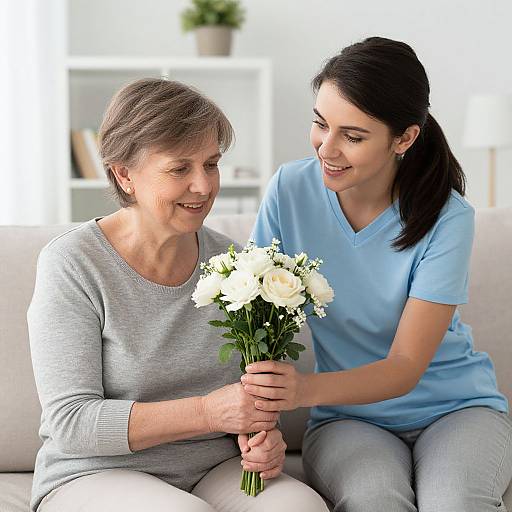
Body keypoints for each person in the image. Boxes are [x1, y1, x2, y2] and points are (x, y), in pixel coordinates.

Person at [28, 78, 328, 512]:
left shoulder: (238, 265)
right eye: (179, 168)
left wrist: (263, 437)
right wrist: (208, 412)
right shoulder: (73, 264)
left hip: (213, 466)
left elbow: (251, 393)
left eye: (211, 164)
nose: (203, 186)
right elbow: (72, 422)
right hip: (96, 470)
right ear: (123, 173)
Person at [243, 37, 512, 511]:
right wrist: (257, 423)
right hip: (349, 419)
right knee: (373, 501)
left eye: (353, 135)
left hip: (456, 410)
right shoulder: (289, 190)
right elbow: (254, 314)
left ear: (404, 138)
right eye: (320, 124)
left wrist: (302, 390)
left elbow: (406, 365)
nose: (327, 148)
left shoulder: (448, 217)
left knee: (456, 504)